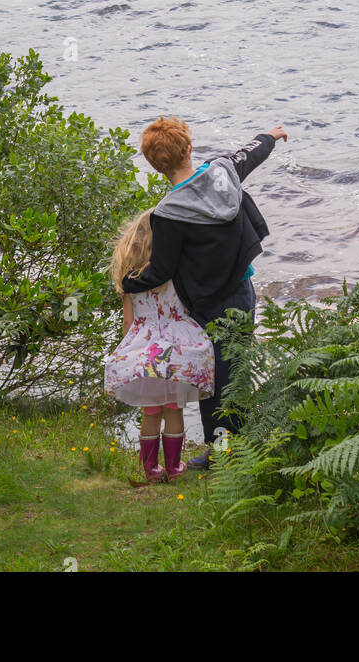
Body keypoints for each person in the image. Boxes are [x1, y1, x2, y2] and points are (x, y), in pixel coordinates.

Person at [123, 116, 287, 470]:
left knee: (215, 382)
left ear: (155, 166)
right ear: (188, 148)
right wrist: (270, 136)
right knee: (236, 375)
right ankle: (236, 449)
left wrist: (128, 283)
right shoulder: (222, 173)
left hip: (207, 307)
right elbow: (250, 155)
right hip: (242, 294)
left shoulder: (167, 214)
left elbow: (161, 271)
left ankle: (223, 454)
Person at [105, 210, 215, 483]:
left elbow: (128, 321)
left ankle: (151, 470)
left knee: (150, 411)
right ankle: (175, 468)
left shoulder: (130, 279)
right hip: (176, 347)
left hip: (147, 350)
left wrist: (130, 349)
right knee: (173, 408)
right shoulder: (174, 272)